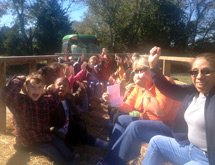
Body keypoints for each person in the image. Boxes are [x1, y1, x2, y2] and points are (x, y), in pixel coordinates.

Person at [98, 55, 180, 165]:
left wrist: (145, 88)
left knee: (135, 127)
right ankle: (115, 152)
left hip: (168, 126)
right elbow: (128, 106)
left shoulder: (164, 82)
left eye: (142, 70)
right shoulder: (139, 86)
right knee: (121, 118)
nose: (138, 74)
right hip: (148, 121)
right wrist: (112, 100)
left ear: (152, 69)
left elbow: (161, 111)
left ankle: (110, 162)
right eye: (136, 71)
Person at [142, 46, 215, 165]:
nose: (199, 76)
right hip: (189, 149)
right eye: (194, 72)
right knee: (156, 142)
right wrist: (153, 67)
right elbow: (169, 89)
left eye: (206, 71)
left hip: (207, 159)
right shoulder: (194, 92)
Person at [0, 72, 75, 164]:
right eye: (33, 87)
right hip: (30, 140)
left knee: (65, 149)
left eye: (39, 87)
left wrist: (53, 90)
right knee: (54, 152)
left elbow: (56, 100)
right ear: (27, 88)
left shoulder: (45, 101)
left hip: (46, 136)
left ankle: (72, 160)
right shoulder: (21, 101)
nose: (36, 90)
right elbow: (6, 95)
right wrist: (19, 79)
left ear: (43, 89)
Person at [49, 77, 109, 149]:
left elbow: (77, 97)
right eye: (59, 84)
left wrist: (81, 89)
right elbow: (43, 100)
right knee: (67, 145)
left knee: (81, 131)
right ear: (54, 86)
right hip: (58, 129)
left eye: (65, 86)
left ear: (68, 89)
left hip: (69, 127)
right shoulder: (51, 99)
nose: (62, 86)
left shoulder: (68, 98)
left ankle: (100, 143)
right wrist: (47, 91)